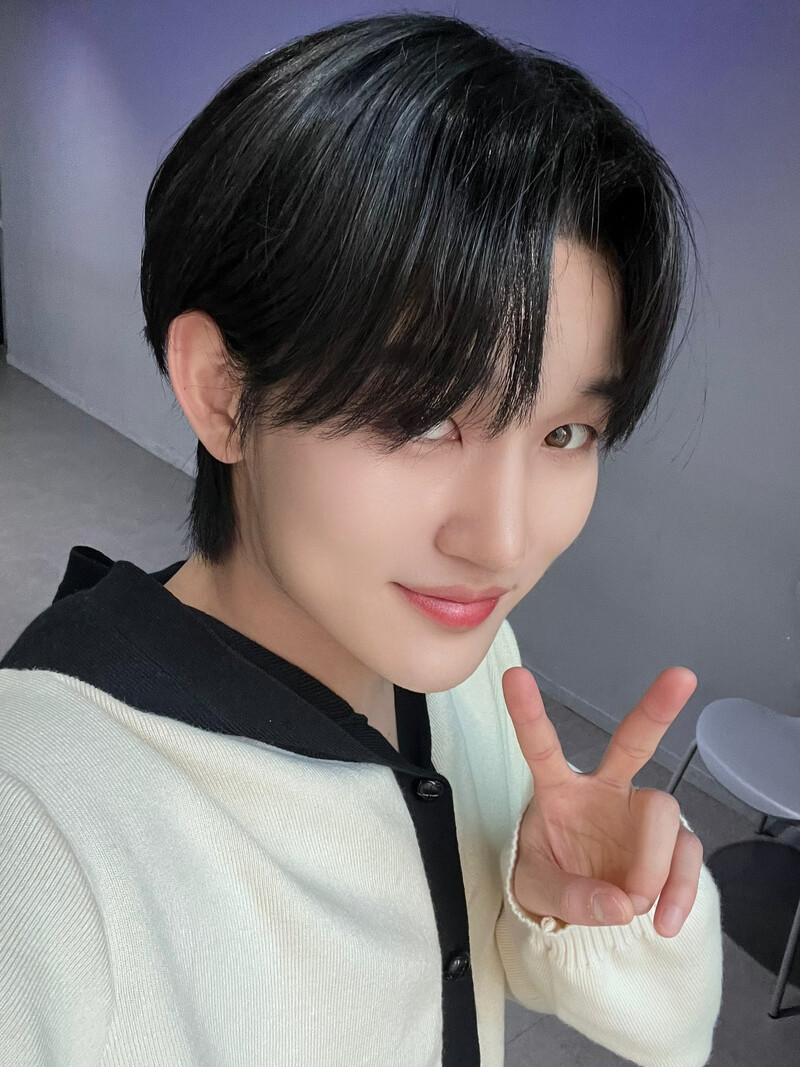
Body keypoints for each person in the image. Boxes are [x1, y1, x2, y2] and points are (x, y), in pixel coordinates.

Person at [0, 11, 723, 1067]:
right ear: (224, 393)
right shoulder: (37, 832)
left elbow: (638, 1023)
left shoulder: (471, 662)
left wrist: (565, 905)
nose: (502, 542)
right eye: (424, 418)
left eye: (565, 433)